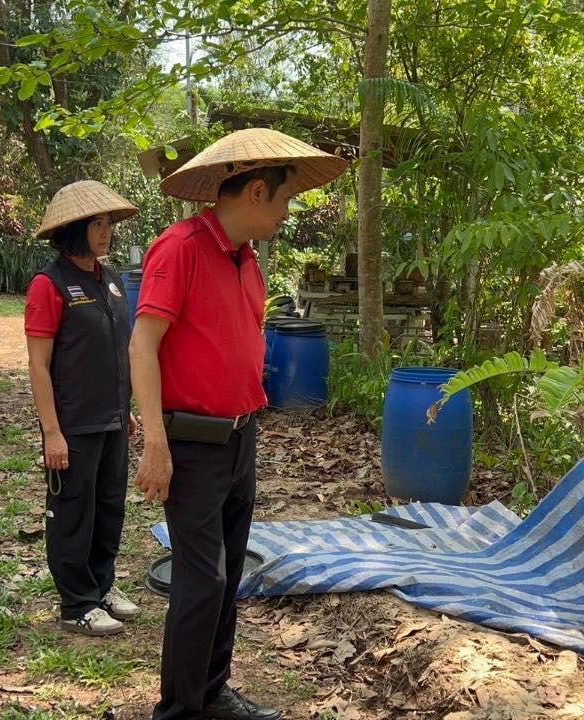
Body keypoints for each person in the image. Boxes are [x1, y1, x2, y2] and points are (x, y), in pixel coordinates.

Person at [132, 128, 348, 720]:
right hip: (191, 442)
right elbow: (143, 345)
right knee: (201, 581)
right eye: (284, 199)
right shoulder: (179, 248)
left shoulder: (246, 259)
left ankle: (212, 692)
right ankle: (178, 709)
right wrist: (155, 443)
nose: (287, 212)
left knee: (226, 578)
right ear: (256, 192)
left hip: (238, 437)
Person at [25, 181, 140, 636]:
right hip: (72, 424)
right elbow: (38, 365)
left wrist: (124, 407)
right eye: (97, 224)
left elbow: (115, 350)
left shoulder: (110, 280)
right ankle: (77, 604)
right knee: (74, 512)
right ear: (73, 229)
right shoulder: (48, 284)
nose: (106, 232)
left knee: (109, 507)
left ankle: (102, 585)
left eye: (108, 223)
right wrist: (52, 432)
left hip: (112, 419)